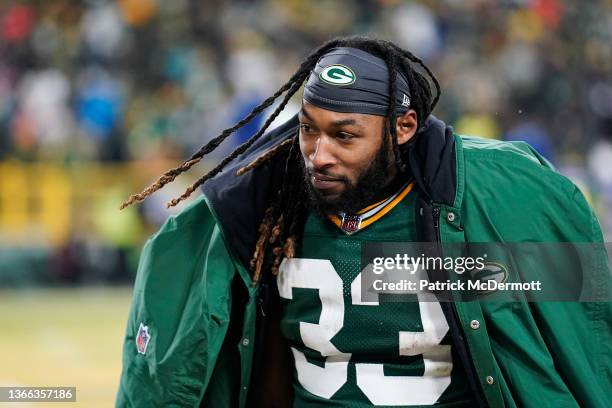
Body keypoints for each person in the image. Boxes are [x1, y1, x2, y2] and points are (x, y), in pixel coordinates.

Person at [115, 37, 611, 407]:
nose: (319, 155)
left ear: (404, 129)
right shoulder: (265, 205)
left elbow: (578, 318)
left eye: (345, 136)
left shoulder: (477, 200)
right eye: (309, 129)